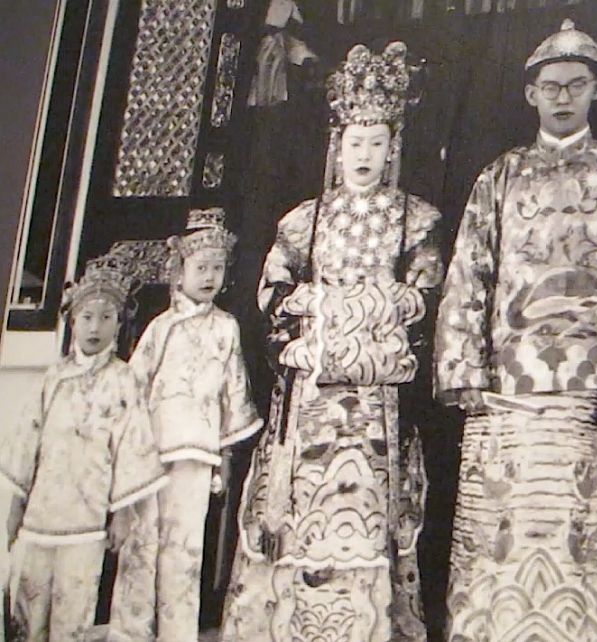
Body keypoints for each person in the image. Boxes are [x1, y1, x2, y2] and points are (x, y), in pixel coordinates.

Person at [435, 19, 597, 641]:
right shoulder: (500, 175)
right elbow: (469, 272)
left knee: (579, 532)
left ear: (596, 90)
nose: (562, 96)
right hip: (504, 389)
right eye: (550, 86)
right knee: (498, 532)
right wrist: (462, 368)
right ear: (531, 94)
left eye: (575, 85)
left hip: (588, 390)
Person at [220, 41, 443, 641]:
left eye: (376, 142)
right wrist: (322, 311)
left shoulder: (416, 220)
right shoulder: (303, 220)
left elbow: (424, 298)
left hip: (377, 406)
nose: (364, 154)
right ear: (336, 146)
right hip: (311, 403)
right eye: (354, 142)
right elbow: (272, 292)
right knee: (301, 517)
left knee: (369, 519)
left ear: (392, 147)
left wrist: (355, 311)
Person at [110, 208, 263, 641]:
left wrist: (225, 456)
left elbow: (233, 393)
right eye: (201, 267)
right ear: (179, 272)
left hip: (198, 455)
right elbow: (132, 388)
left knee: (185, 549)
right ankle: (129, 632)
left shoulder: (227, 329)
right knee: (141, 547)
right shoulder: (161, 329)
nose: (209, 276)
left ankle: (177, 632)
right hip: (152, 454)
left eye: (217, 268)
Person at [0, 263, 166, 641]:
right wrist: (14, 512)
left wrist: (121, 514)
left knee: (72, 620)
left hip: (86, 526)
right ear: (72, 322)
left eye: (106, 318)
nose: (95, 327)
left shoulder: (124, 380)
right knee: (24, 620)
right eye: (87, 317)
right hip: (38, 523)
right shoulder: (53, 379)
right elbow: (27, 445)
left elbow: (132, 449)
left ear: (119, 325)